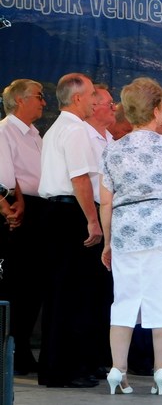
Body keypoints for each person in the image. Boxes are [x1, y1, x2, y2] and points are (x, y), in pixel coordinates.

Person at [99, 77, 162, 395]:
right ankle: (160, 372)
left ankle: (118, 370)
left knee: (124, 302)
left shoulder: (111, 151)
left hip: (126, 234)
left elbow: (106, 203)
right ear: (156, 110)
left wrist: (107, 241)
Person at [37, 72, 102, 388]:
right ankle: (67, 369)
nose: (94, 102)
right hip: (70, 214)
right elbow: (80, 179)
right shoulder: (76, 131)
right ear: (77, 98)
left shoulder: (55, 129)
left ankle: (55, 367)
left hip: (55, 214)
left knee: (59, 293)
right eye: (91, 95)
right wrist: (93, 219)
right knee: (74, 294)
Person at [0, 79, 47, 375]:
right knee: (15, 283)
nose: (44, 102)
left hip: (36, 208)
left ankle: (22, 347)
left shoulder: (34, 134)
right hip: (14, 208)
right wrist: (9, 205)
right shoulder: (4, 130)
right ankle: (11, 351)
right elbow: (4, 176)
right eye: (38, 96)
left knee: (33, 284)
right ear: (20, 100)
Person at [83, 84, 117, 377]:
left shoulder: (110, 139)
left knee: (105, 293)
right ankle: (87, 357)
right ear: (94, 107)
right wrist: (93, 219)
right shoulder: (83, 135)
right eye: (109, 103)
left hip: (112, 218)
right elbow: (82, 181)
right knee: (88, 294)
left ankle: (100, 356)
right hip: (91, 215)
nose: (114, 107)